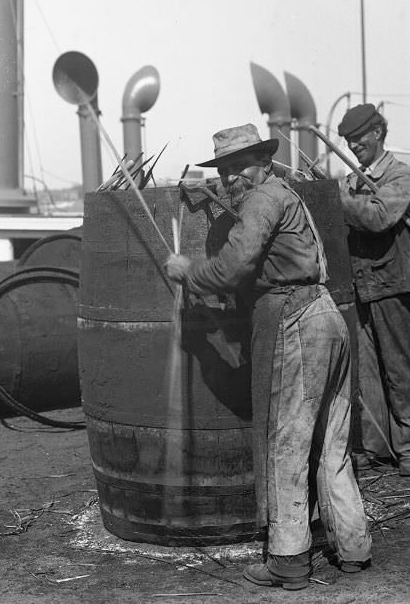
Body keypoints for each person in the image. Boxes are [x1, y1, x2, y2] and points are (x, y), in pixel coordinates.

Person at [164, 123, 371, 591]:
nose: (232, 177)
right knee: (330, 442)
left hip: (294, 321)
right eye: (225, 170)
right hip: (326, 315)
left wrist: (187, 271)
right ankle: (354, 546)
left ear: (263, 162)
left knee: (286, 444)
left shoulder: (261, 200)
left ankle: (289, 561)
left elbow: (234, 267)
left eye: (241, 166)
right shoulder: (285, 193)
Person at [337, 103, 410, 477]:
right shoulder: (352, 181)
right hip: (360, 288)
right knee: (368, 374)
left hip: (392, 285)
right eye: (347, 140)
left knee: (400, 371)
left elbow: (377, 217)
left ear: (377, 133)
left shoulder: (401, 177)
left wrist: (334, 198)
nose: (354, 144)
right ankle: (377, 448)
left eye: (359, 137)